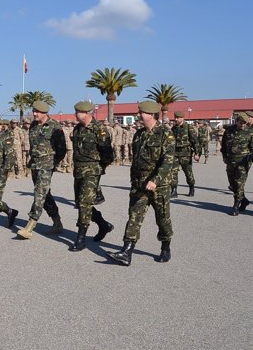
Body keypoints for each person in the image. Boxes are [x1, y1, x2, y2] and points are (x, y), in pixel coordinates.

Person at [107, 101, 176, 266]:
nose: (138, 115)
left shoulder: (166, 134)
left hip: (159, 185)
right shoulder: (139, 134)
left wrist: (155, 180)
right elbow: (136, 161)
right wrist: (134, 180)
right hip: (139, 184)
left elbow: (168, 162)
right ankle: (126, 251)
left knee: (162, 218)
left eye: (141, 113)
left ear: (151, 115)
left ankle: (165, 247)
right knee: (134, 215)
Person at [68, 101, 114, 251]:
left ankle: (80, 238)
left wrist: (100, 167)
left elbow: (108, 154)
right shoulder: (77, 129)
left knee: (84, 204)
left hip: (92, 171)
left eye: (78, 112)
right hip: (79, 171)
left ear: (86, 113)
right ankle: (103, 225)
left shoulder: (99, 129)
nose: (75, 114)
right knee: (80, 203)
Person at [17, 101, 66, 239]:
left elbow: (61, 149)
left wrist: (52, 162)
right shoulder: (33, 126)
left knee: (39, 193)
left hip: (46, 166)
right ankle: (57, 223)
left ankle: (30, 226)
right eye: (33, 111)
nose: (34, 114)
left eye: (37, 112)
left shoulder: (55, 127)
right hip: (35, 165)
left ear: (44, 112)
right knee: (45, 194)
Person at [221, 113, 253, 215]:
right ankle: (244, 201)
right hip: (230, 161)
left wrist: (250, 159)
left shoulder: (250, 132)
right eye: (241, 123)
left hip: (243, 162)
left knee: (239, 183)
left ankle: (236, 205)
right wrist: (224, 157)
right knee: (232, 184)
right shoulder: (229, 131)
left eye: (245, 123)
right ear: (236, 121)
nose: (243, 125)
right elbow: (224, 146)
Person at [170, 111, 198, 198]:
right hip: (175, 153)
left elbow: (195, 141)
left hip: (186, 153)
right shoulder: (174, 128)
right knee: (173, 172)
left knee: (188, 172)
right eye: (175, 117)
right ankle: (174, 190)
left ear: (182, 118)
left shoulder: (189, 127)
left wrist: (197, 153)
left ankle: (191, 187)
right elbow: (170, 139)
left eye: (177, 118)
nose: (176, 119)